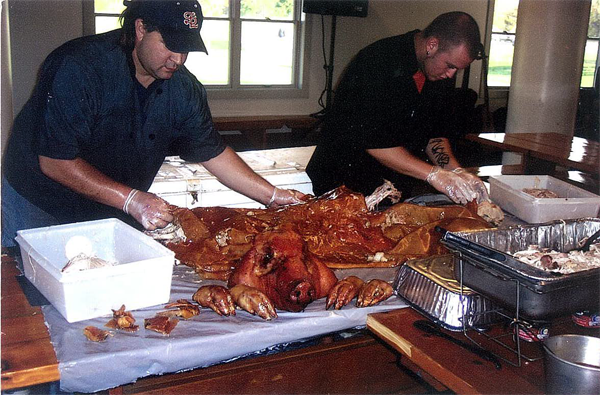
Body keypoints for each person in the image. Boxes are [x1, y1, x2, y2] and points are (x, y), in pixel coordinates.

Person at [1, 0, 304, 248]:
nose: (178, 59)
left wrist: (273, 195)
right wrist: (132, 199)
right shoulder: (80, 67)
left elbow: (211, 152)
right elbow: (55, 162)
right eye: (170, 45)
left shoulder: (184, 90)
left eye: (186, 48)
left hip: (109, 204)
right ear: (141, 28)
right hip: (39, 198)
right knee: (31, 299)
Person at [306, 11, 489, 205]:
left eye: (457, 70)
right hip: (342, 180)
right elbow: (375, 141)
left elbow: (434, 134)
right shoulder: (378, 60)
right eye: (450, 66)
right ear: (432, 45)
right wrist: (434, 175)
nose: (451, 75)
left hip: (390, 183)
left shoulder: (437, 73)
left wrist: (456, 172)